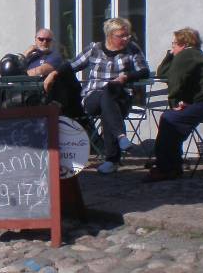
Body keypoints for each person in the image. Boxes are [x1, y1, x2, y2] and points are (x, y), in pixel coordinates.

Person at [43, 17, 150, 174]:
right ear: (110, 36)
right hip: (92, 97)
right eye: (121, 36)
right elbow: (71, 66)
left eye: (127, 35)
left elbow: (144, 71)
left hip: (120, 96)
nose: (126, 39)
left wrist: (126, 77)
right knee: (105, 96)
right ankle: (118, 144)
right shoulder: (95, 49)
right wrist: (53, 73)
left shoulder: (132, 49)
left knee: (108, 99)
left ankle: (112, 158)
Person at [146, 28, 203, 182]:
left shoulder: (187, 55)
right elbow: (164, 73)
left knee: (171, 119)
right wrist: (171, 54)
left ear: (183, 44)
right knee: (171, 119)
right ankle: (169, 162)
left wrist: (174, 104)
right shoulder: (191, 54)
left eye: (174, 43)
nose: (172, 46)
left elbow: (175, 81)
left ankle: (166, 166)